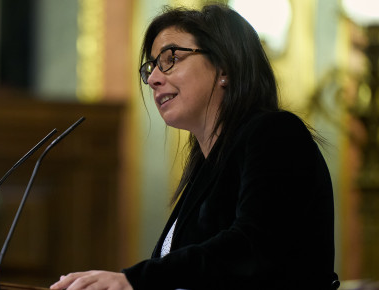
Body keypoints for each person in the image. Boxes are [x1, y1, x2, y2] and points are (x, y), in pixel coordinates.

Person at [50, 4, 339, 290]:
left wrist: (135, 280)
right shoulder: (206, 166)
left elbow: (252, 247)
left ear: (224, 67)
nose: (152, 79)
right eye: (150, 67)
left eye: (170, 58)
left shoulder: (275, 133)